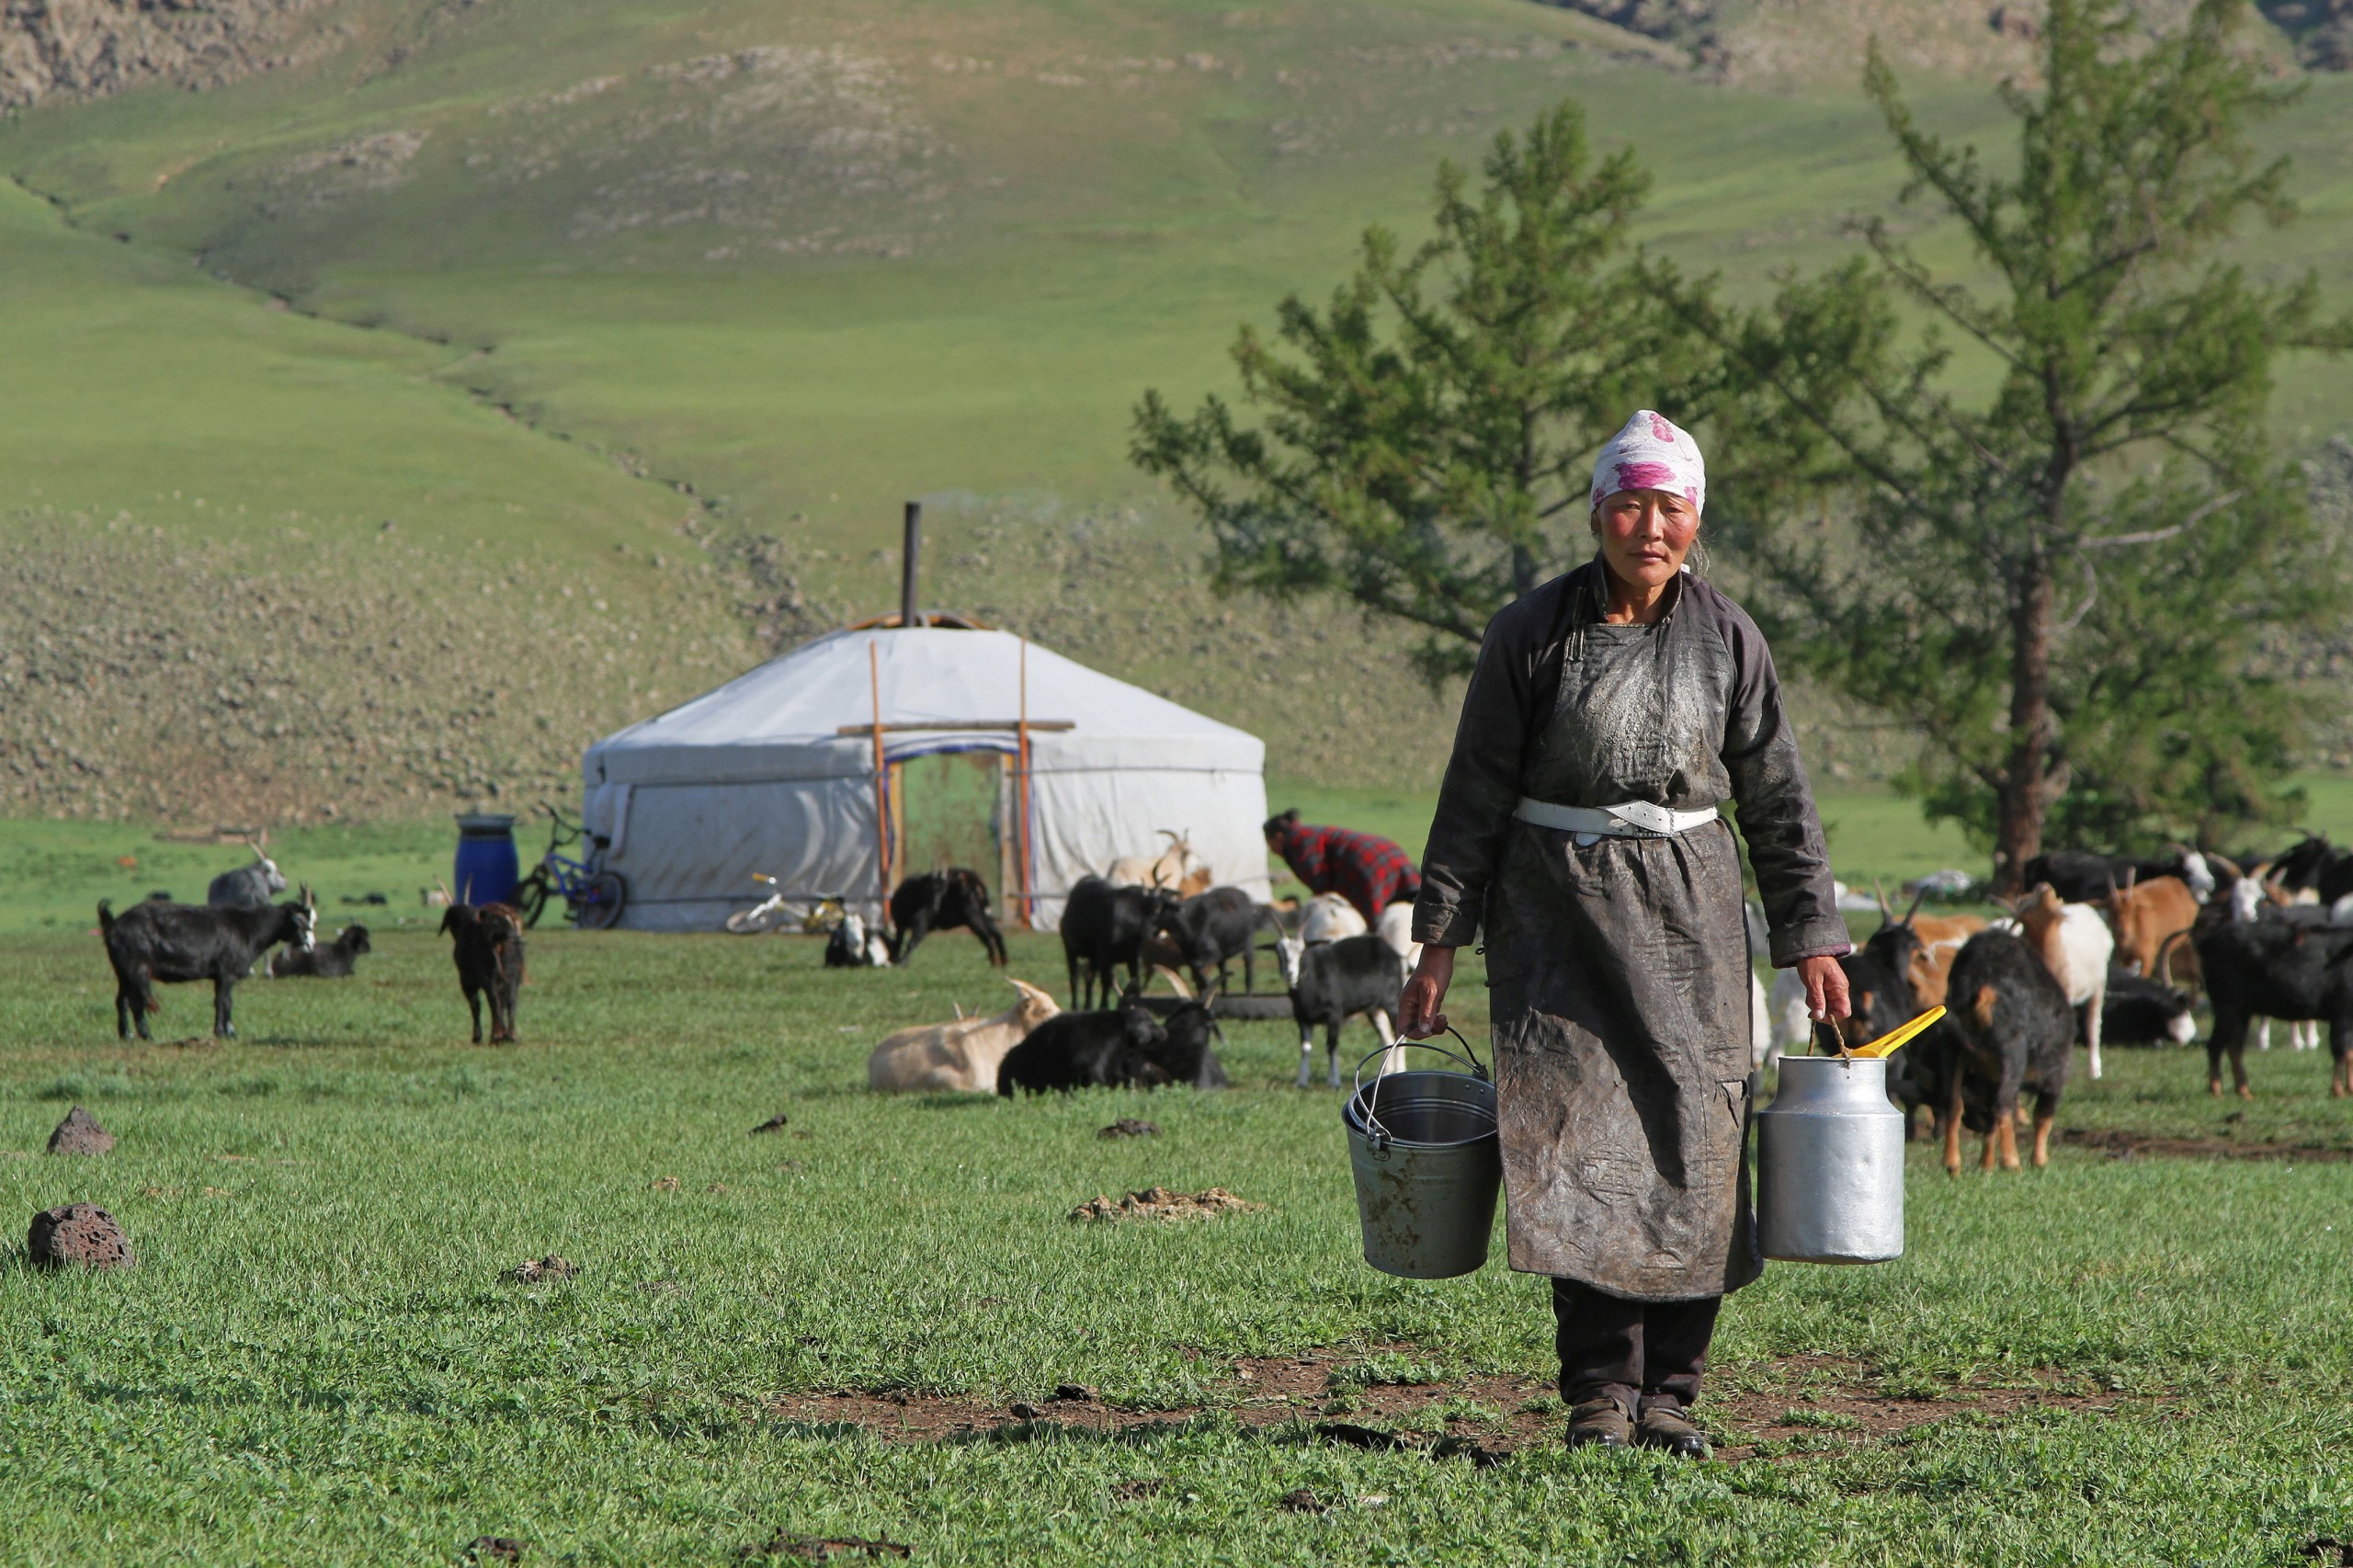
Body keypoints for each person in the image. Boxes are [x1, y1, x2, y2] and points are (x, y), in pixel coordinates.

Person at [1396, 409, 1852, 1459]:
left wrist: (1811, 935)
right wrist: (1437, 942)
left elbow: (1777, 795)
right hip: (1553, 918)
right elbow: (1473, 791)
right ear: (1598, 509)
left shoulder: (1728, 635)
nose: (1650, 525)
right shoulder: (1529, 631)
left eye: (1671, 506)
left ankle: (1673, 1395)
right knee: (1573, 1145)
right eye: (1632, 502)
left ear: (1695, 519)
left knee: (1699, 1143)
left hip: (1692, 914)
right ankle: (1600, 1393)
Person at [1262, 810, 1420, 926]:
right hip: (1389, 851)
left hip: (1366, 862)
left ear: (1278, 837)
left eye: (1271, 845)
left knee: (1374, 923)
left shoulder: (1298, 842)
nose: (1273, 851)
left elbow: (1318, 880)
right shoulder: (1307, 833)